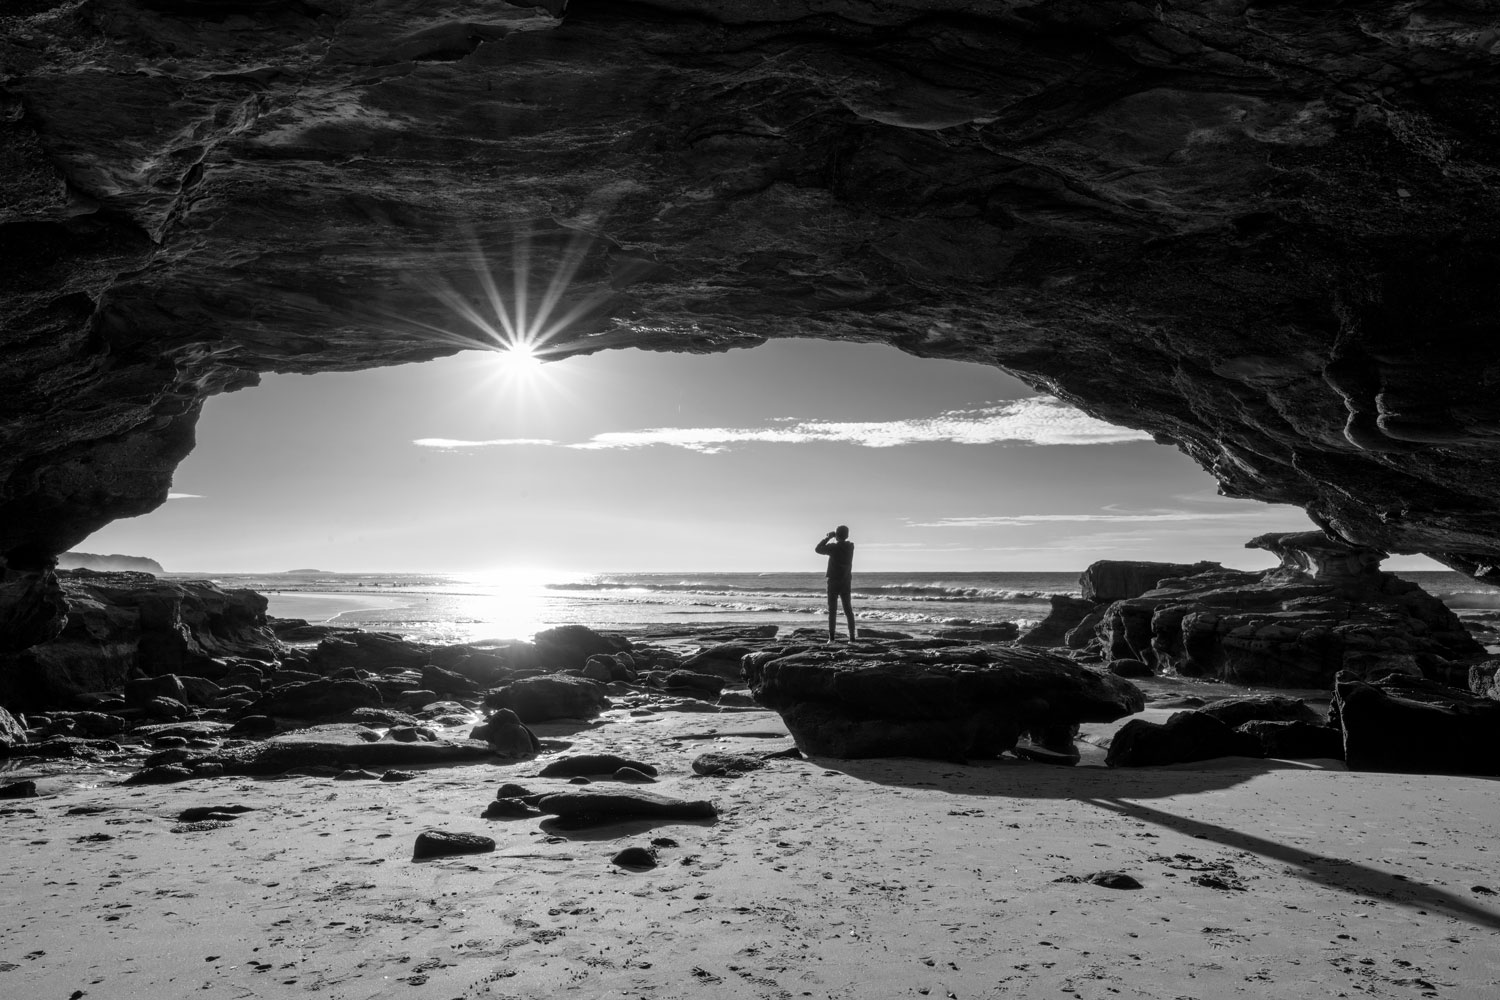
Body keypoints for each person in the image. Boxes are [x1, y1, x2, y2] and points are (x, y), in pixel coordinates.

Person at [815, 525, 856, 641]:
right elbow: (843, 542)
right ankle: (852, 638)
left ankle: (831, 638)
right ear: (847, 535)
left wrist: (828, 537)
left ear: (837, 535)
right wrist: (837, 537)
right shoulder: (851, 546)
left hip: (833, 581)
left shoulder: (833, 547)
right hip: (846, 581)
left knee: (832, 611)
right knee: (848, 610)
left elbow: (818, 549)